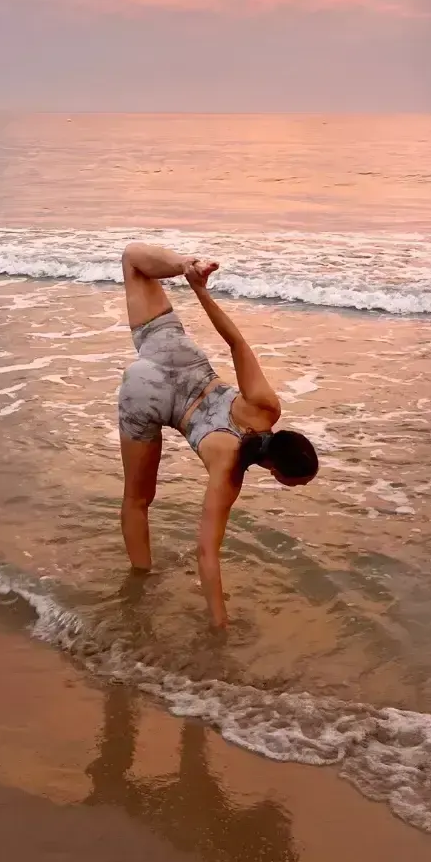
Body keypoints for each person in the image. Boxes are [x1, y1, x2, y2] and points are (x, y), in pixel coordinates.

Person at [117, 241, 319, 628]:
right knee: (137, 499)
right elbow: (206, 553)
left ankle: (187, 264)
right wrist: (219, 623)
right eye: (293, 481)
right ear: (276, 470)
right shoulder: (230, 472)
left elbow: (236, 342)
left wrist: (199, 289)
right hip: (145, 398)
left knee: (132, 258)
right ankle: (139, 582)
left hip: (174, 357)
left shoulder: (265, 407)